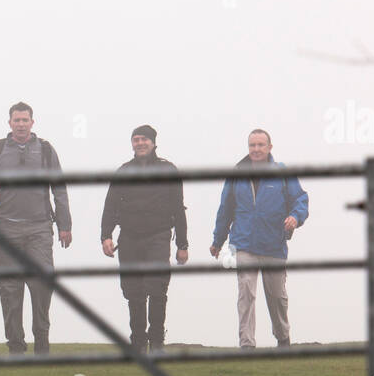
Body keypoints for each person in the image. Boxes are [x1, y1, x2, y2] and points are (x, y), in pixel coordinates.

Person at [0, 102, 72, 355]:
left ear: (32, 122)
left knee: (42, 285)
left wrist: (65, 225)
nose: (20, 124)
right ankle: (16, 346)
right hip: (6, 228)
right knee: (9, 289)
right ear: (9, 123)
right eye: (16, 120)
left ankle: (41, 340)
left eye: (25, 120)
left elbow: (59, 188)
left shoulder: (46, 150)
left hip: (40, 228)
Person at [208, 128, 309, 348]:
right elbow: (225, 209)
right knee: (246, 292)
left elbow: (300, 200)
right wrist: (217, 241)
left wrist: (295, 217)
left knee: (277, 297)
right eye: (252, 145)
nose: (256, 149)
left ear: (270, 147)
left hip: (274, 244)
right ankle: (247, 344)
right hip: (242, 243)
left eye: (260, 145)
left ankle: (282, 337)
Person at [100, 124, 188, 353]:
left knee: (157, 288)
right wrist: (105, 236)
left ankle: (157, 342)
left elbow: (178, 208)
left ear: (153, 142)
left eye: (144, 139)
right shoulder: (123, 171)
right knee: (133, 291)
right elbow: (110, 206)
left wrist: (182, 244)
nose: (140, 143)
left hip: (159, 236)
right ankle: (138, 342)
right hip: (129, 238)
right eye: (136, 139)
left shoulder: (168, 170)